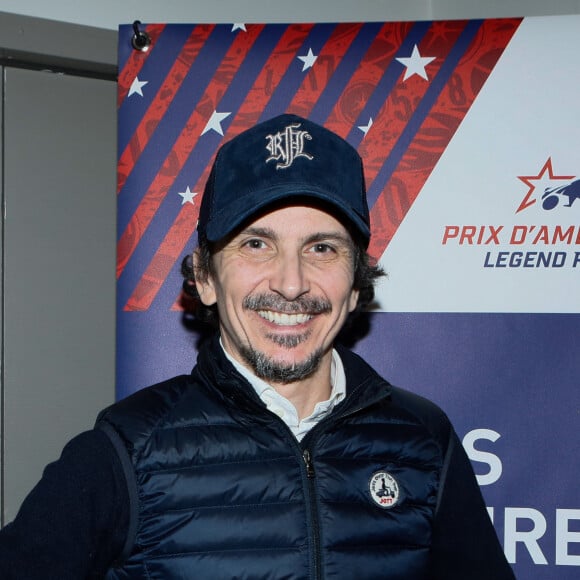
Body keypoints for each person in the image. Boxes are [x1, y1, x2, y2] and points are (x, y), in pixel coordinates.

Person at [0, 114, 515, 579]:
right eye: (255, 243)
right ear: (205, 277)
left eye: (321, 248)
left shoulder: (423, 439)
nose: (291, 284)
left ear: (356, 284)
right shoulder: (127, 450)